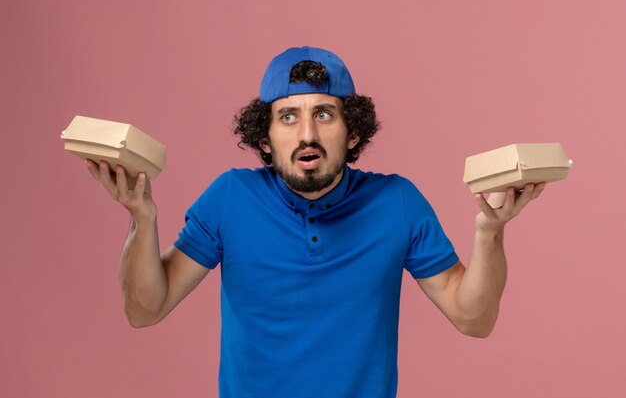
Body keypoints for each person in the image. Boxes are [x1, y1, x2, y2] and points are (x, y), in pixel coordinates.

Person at [86, 46, 545, 398]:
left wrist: (490, 230)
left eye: (324, 114)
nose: (307, 133)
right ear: (263, 139)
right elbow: (144, 310)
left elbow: (474, 319)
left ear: (354, 132)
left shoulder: (397, 202)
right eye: (288, 117)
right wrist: (141, 218)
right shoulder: (230, 198)